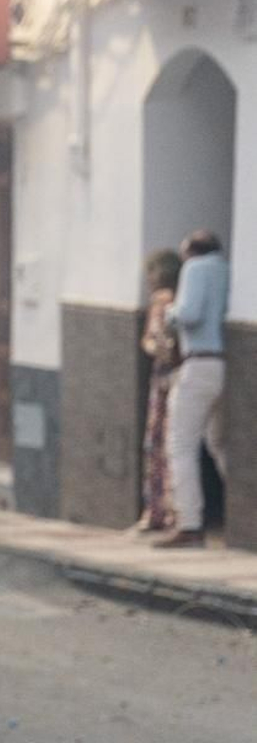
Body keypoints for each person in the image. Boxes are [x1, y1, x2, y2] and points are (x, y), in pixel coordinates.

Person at [156, 229, 230, 549]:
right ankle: (244, 511)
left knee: (181, 444)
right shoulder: (228, 269)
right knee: (220, 443)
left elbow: (188, 314)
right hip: (226, 364)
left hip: (197, 363)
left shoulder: (195, 269)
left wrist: (168, 313)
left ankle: (190, 525)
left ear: (191, 252)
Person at [136, 248, 182, 534]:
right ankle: (165, 511)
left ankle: (160, 512)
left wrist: (159, 349)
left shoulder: (168, 302)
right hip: (171, 374)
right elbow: (151, 340)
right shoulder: (170, 301)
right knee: (165, 444)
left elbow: (153, 340)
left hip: (169, 375)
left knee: (163, 445)